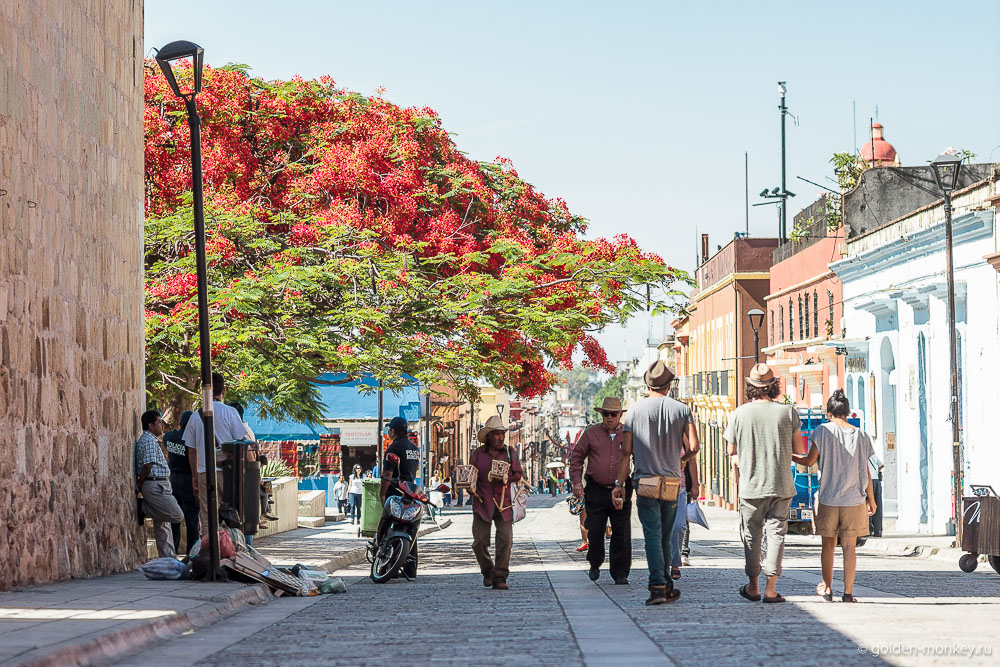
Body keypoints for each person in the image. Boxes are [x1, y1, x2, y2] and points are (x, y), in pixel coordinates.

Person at [613, 361, 698, 606]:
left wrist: (619, 483)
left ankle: (657, 585)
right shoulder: (682, 410)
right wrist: (682, 461)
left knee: (652, 534)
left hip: (646, 480)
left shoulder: (634, 411)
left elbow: (626, 451)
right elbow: (694, 446)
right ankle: (666, 584)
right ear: (668, 386)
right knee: (666, 535)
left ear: (647, 385)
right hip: (672, 481)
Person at [724, 363, 805, 604]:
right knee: (777, 534)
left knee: (752, 537)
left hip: (751, 487)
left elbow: (730, 450)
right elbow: (799, 449)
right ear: (773, 386)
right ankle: (771, 588)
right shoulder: (788, 412)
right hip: (781, 484)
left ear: (751, 387)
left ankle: (753, 586)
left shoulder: (739, 414)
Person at [792, 390, 877, 603]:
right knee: (849, 547)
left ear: (829, 413)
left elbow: (809, 461)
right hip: (854, 500)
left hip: (828, 499)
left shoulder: (822, 431)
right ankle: (848, 593)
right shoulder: (862, 435)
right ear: (847, 412)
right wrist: (871, 499)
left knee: (828, 545)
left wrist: (789, 455)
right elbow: (867, 470)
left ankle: (828, 588)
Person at [571, 397, 631, 584]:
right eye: (606, 414)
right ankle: (594, 563)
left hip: (620, 489)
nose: (609, 417)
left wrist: (638, 482)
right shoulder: (591, 433)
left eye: (613, 414)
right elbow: (576, 458)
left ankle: (620, 573)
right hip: (596, 489)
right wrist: (577, 482)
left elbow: (640, 458)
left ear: (619, 415)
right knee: (595, 530)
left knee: (621, 532)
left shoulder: (628, 434)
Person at [182, 373, 249, 535]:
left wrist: (194, 476)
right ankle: (232, 547)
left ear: (203, 392)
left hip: (204, 472)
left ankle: (209, 548)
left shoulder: (195, 417)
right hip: (228, 473)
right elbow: (242, 444)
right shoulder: (230, 412)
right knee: (233, 516)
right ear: (223, 391)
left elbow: (191, 450)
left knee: (207, 519)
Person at [470, 415, 523, 590]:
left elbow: (518, 474)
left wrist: (507, 478)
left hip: (504, 504)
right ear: (489, 436)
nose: (501, 438)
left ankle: (500, 577)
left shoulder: (510, 452)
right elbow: (471, 475)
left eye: (503, 434)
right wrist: (469, 487)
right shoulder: (477, 454)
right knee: (479, 542)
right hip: (482, 503)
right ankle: (488, 571)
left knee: (505, 541)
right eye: (497, 434)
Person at [133, 410, 185, 558]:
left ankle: (168, 559)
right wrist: (140, 484)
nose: (162, 425)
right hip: (155, 485)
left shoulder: (151, 440)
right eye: (159, 422)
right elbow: (148, 465)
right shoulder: (149, 440)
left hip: (160, 484)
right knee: (177, 515)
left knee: (163, 526)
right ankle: (144, 509)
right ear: (150, 425)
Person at [380, 416, 421, 576]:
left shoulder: (393, 448)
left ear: (393, 431)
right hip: (410, 492)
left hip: (395, 492)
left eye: (389, 429)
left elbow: (387, 474)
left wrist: (382, 494)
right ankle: (411, 568)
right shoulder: (413, 448)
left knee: (387, 526)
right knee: (410, 528)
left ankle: (385, 564)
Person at [164, 410, 199, 555]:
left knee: (174, 518)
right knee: (192, 519)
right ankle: (192, 553)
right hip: (188, 480)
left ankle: (173, 551)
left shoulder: (169, 437)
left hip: (173, 480)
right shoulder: (191, 439)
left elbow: (165, 441)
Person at [670, 456, 700, 579]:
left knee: (680, 525)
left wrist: (695, 484)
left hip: (680, 487)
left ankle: (677, 557)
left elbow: (692, 458)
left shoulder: (684, 442)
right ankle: (668, 563)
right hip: (656, 486)